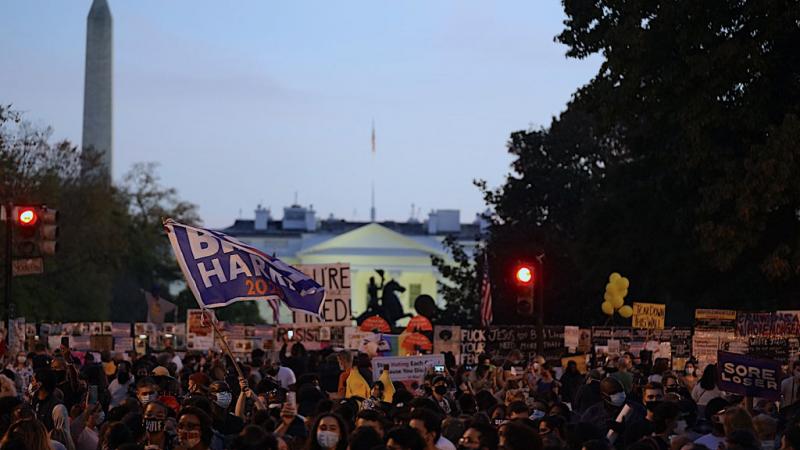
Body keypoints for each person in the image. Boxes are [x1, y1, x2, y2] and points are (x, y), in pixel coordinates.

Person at [579, 377, 646, 436]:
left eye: (621, 391)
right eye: (614, 393)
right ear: (603, 396)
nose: (619, 395)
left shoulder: (638, 409)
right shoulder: (592, 414)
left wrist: (626, 431)